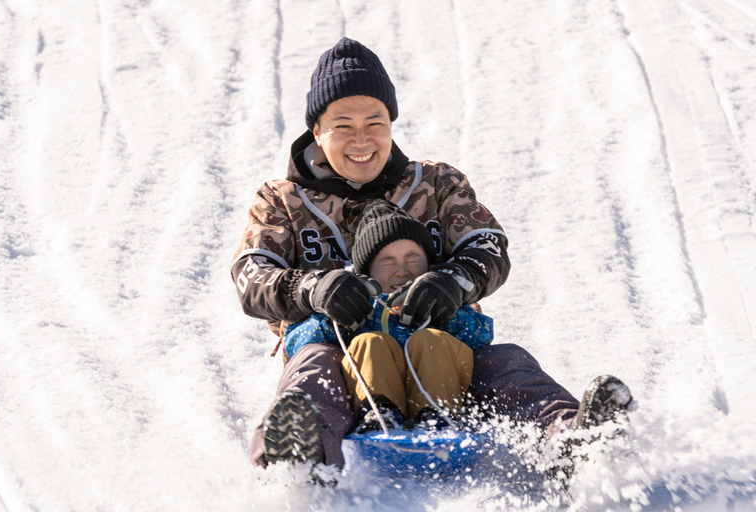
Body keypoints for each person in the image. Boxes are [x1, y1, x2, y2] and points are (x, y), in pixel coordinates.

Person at [231, 37, 633, 471]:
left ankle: (572, 444)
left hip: (444, 346)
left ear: (391, 123)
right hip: (339, 349)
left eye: (376, 122)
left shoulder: (435, 185)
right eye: (342, 124)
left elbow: (488, 244)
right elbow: (251, 274)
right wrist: (310, 286)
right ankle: (296, 461)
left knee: (508, 366)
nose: (361, 138)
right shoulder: (283, 201)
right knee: (313, 374)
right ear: (317, 131)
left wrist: (453, 281)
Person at [283, 199, 495, 432]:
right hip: (371, 398)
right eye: (387, 262)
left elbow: (481, 336)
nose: (402, 270)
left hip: (440, 396)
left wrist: (445, 315)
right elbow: (296, 343)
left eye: (413, 259)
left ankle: (438, 417)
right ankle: (379, 415)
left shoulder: (440, 301)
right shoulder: (356, 306)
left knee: (431, 339)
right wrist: (336, 321)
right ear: (368, 272)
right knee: (369, 341)